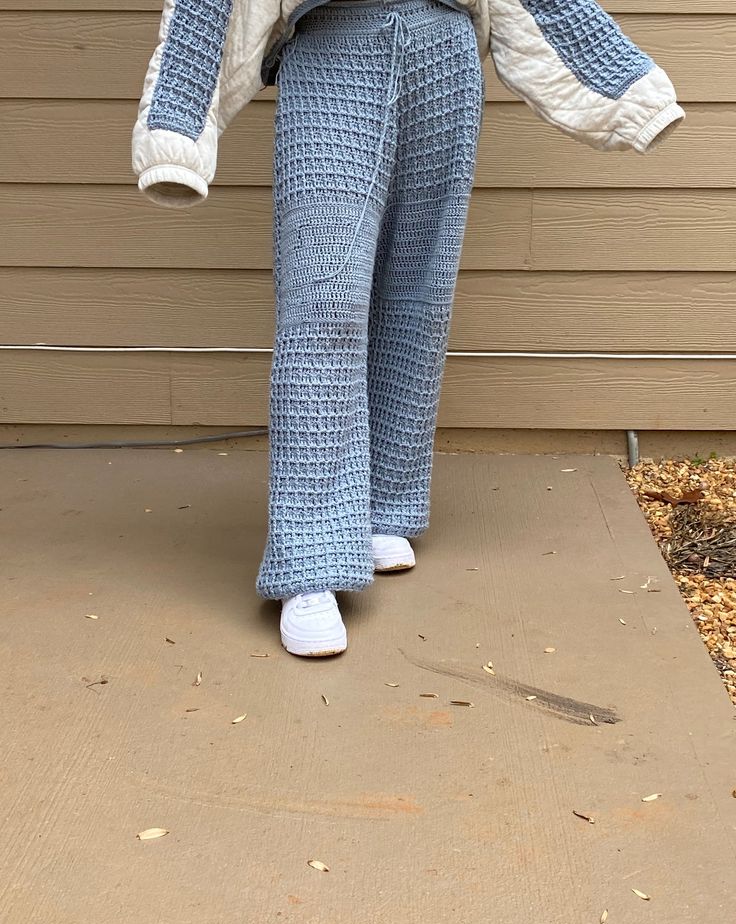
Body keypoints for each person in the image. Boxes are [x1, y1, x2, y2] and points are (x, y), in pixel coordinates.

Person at [132, 0, 684, 657]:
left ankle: (386, 504)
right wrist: (177, 126)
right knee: (322, 295)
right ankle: (309, 563)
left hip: (446, 49)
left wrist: (627, 90)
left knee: (420, 292)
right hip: (332, 41)